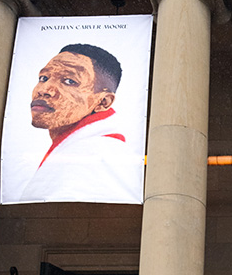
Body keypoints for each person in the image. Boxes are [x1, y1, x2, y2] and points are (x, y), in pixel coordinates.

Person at [15, 42, 142, 204]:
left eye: (69, 81)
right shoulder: (84, 150)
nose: (44, 89)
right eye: (43, 78)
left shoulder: (96, 155)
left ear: (103, 102)